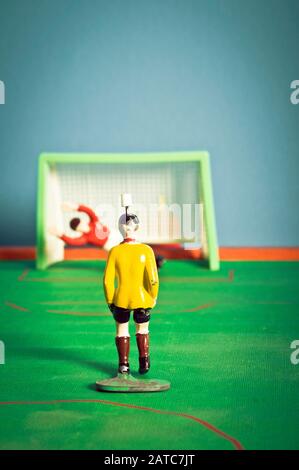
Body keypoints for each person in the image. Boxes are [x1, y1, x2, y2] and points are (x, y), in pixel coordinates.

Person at [103, 213, 159, 375]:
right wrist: (153, 297)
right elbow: (153, 280)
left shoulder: (115, 251)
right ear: (138, 227)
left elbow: (107, 281)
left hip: (121, 299)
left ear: (120, 228)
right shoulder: (146, 250)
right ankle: (144, 360)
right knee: (142, 329)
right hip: (142, 298)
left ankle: (124, 364)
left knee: (122, 330)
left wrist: (110, 301)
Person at [50, 202, 165, 268]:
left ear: (83, 221)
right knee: (126, 257)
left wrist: (75, 207)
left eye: (81, 223)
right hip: (109, 245)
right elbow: (72, 242)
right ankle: (143, 267)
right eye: (79, 227)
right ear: (77, 230)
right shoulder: (85, 238)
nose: (82, 226)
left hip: (114, 234)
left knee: (135, 245)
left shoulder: (93, 221)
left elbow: (89, 211)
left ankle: (155, 259)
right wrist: (60, 235)